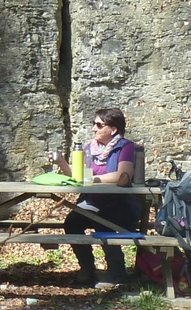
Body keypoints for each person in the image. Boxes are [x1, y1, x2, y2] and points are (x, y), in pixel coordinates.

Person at [53, 107, 138, 288]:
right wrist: (62, 163)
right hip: (92, 201)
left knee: (102, 221)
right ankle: (87, 271)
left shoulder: (125, 147)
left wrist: (93, 179)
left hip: (119, 204)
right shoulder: (89, 149)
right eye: (94, 124)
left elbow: (123, 175)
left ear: (113, 129)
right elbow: (77, 176)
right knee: (72, 223)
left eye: (99, 125)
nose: (94, 128)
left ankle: (118, 274)